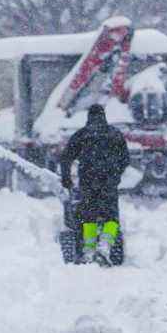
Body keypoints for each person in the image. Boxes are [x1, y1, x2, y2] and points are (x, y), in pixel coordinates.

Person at [60, 104, 131, 264]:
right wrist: (116, 173)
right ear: (104, 116)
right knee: (111, 217)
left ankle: (89, 250)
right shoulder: (114, 134)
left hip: (88, 181)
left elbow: (66, 157)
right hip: (109, 182)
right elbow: (125, 158)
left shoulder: (82, 135)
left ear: (88, 117)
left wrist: (66, 178)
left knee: (89, 216)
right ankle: (105, 246)